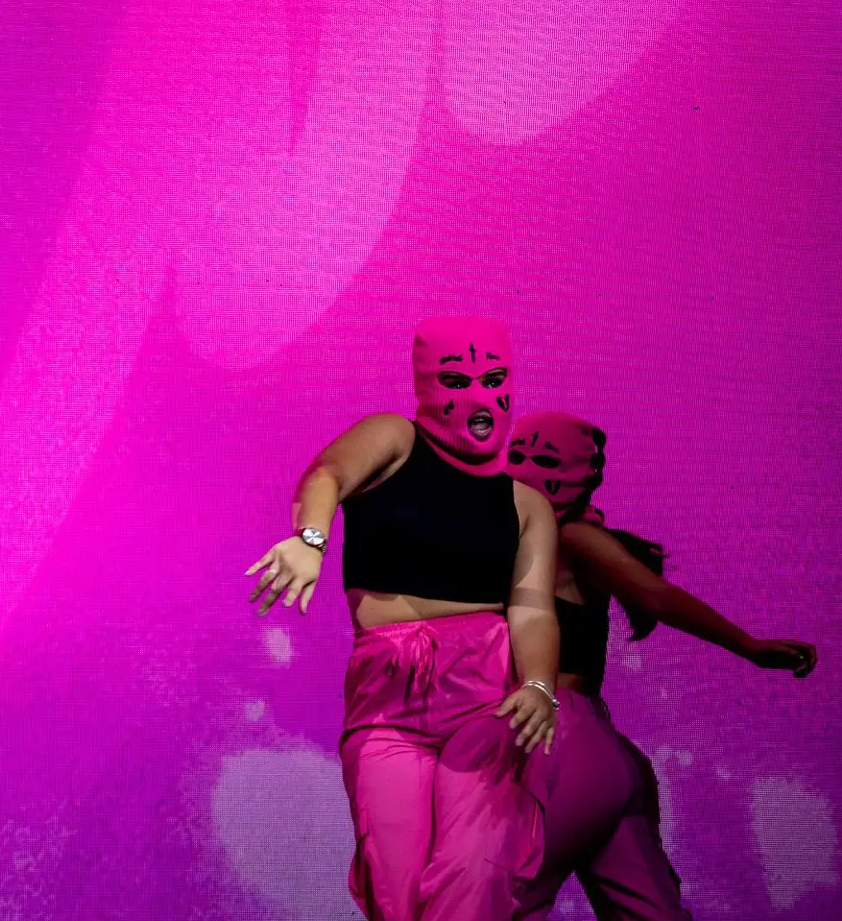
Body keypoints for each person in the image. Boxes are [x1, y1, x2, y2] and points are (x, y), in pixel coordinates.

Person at [246, 317, 560, 920]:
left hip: (484, 694)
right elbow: (327, 475)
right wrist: (310, 540)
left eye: (492, 378)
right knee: (396, 882)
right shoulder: (394, 439)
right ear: (426, 384)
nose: (476, 396)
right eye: (455, 379)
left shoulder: (526, 504)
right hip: (387, 698)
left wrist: (539, 684)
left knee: (475, 871)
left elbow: (533, 609)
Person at [507, 411, 817, 920]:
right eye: (516, 456)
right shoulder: (533, 540)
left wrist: (748, 645)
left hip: (556, 746)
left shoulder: (569, 539)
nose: (523, 471)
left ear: (583, 477)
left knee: (497, 896)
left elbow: (655, 596)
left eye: (543, 460)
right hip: (604, 755)